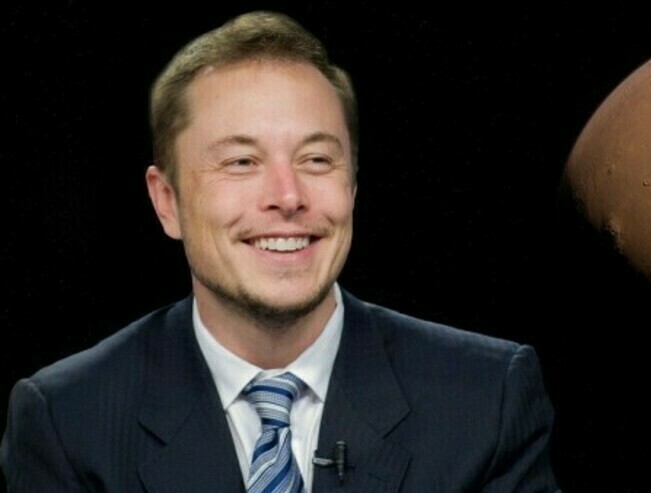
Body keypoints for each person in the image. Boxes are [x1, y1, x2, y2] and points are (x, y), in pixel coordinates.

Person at [0, 11, 560, 492]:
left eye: (317, 160)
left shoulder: (488, 399)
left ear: (352, 186)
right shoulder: (68, 421)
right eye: (241, 162)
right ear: (167, 202)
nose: (288, 197)